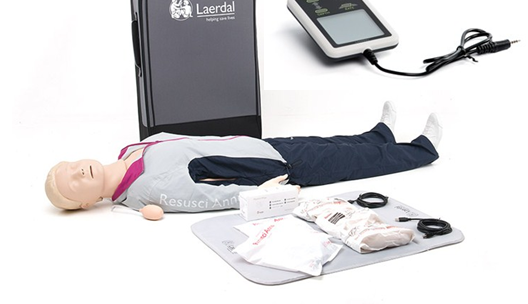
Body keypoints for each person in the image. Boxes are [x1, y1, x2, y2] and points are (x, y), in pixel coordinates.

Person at [45, 102, 442, 220]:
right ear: (86, 203)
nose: (79, 171)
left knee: (331, 143)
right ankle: (422, 148)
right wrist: (264, 194)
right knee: (350, 162)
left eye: (70, 166)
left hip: (260, 145)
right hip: (273, 169)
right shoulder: (145, 189)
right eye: (73, 183)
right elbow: (206, 198)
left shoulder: (129, 150)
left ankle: (379, 135)